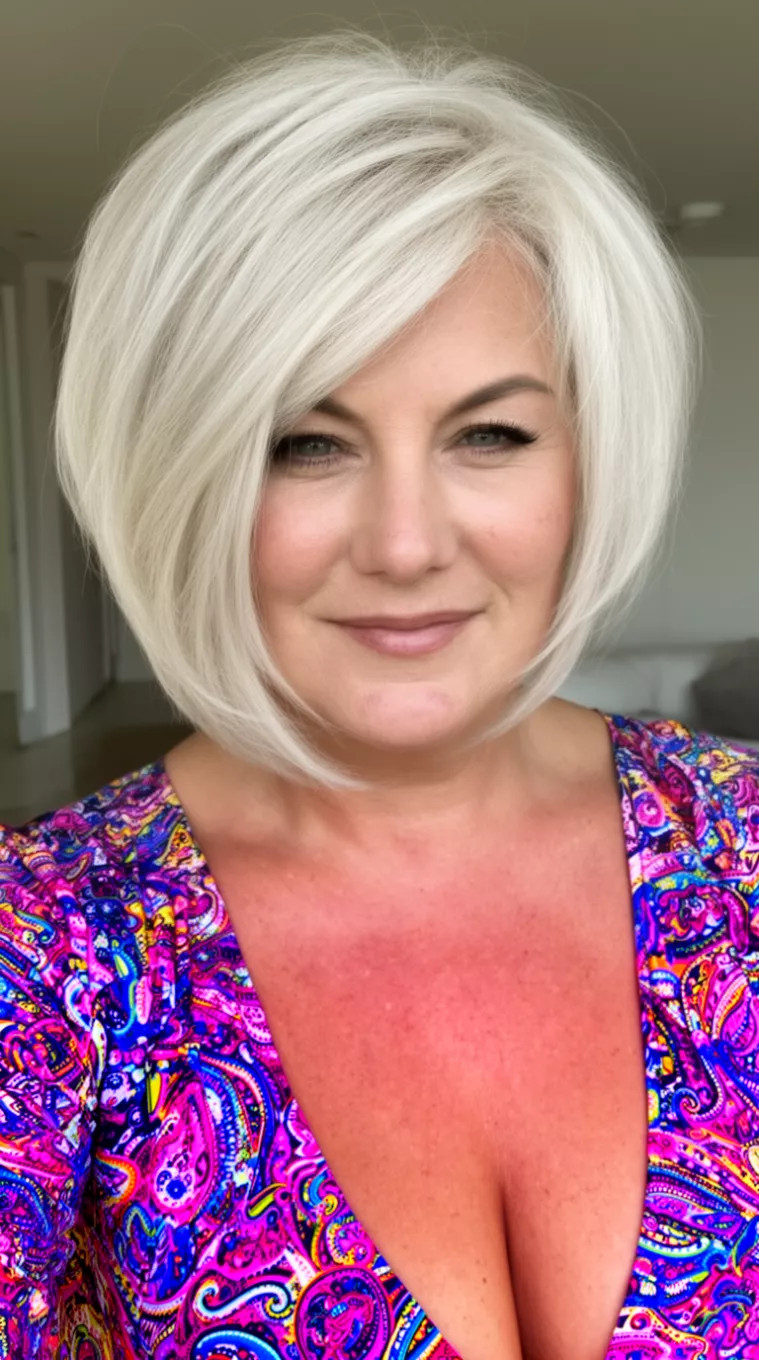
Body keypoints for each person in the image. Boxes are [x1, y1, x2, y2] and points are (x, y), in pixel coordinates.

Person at [0, 24, 757, 1360]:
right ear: (181, 473)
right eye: (306, 442)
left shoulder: (742, 845)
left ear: (586, 459)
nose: (406, 545)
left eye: (489, 433)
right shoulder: (47, 950)